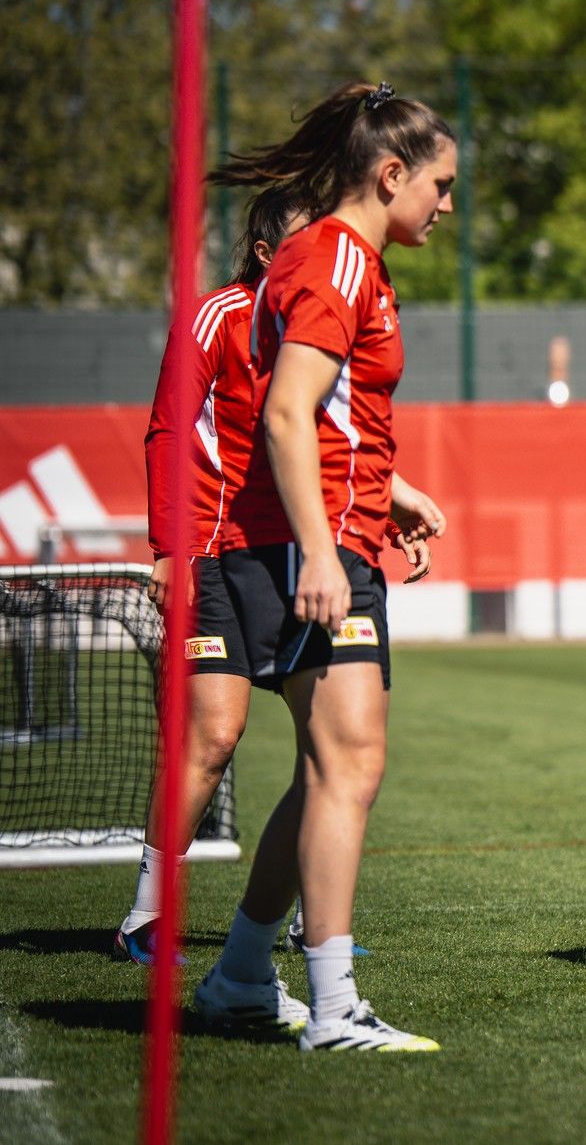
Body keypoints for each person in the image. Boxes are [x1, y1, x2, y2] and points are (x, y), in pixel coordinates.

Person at [190, 80, 453, 1051]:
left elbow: (332, 416)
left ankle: (240, 975)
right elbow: (287, 411)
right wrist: (320, 546)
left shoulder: (340, 260)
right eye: (440, 184)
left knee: (325, 769)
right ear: (390, 175)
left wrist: (391, 494)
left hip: (336, 530)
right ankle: (335, 1006)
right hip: (316, 545)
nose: (447, 203)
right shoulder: (338, 257)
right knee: (349, 762)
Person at [120, 191, 431, 973]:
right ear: (265, 253)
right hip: (217, 555)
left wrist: (387, 504)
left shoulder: (325, 315)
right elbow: (168, 428)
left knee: (328, 747)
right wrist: (170, 547)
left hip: (302, 554)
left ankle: (303, 923)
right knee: (214, 735)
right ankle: (146, 915)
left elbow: (334, 441)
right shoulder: (216, 316)